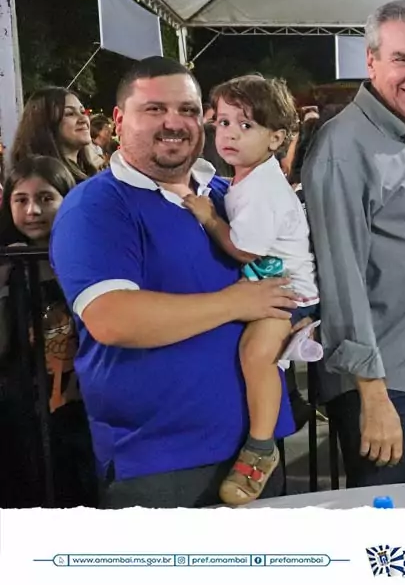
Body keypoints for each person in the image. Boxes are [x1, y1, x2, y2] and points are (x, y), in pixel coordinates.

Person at [49, 56, 298, 508]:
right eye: (154, 109)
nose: (174, 122)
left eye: (187, 109)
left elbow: (280, 280)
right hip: (160, 464)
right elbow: (113, 318)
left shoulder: (227, 196)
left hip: (255, 456)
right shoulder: (98, 207)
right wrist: (236, 302)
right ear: (121, 120)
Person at [302, 0, 405, 491]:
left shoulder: (404, 135)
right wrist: (372, 396)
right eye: (403, 59)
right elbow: (341, 277)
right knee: (389, 548)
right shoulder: (345, 144)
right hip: (388, 389)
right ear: (370, 60)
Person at [182, 74, 319, 505]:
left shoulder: (262, 188)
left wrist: (208, 217)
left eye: (246, 126)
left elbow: (241, 248)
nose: (230, 135)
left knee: (256, 355)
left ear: (276, 137)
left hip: (287, 295)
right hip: (271, 286)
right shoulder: (245, 180)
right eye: (223, 123)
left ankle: (260, 450)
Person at [0, 155, 98, 508]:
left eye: (46, 198)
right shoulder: (8, 261)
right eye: (21, 199)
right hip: (21, 408)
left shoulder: (84, 255)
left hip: (80, 406)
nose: (32, 210)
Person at [11, 87, 101, 182]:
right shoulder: (42, 181)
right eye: (70, 113)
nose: (83, 119)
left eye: (83, 112)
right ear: (45, 123)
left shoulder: (89, 171)